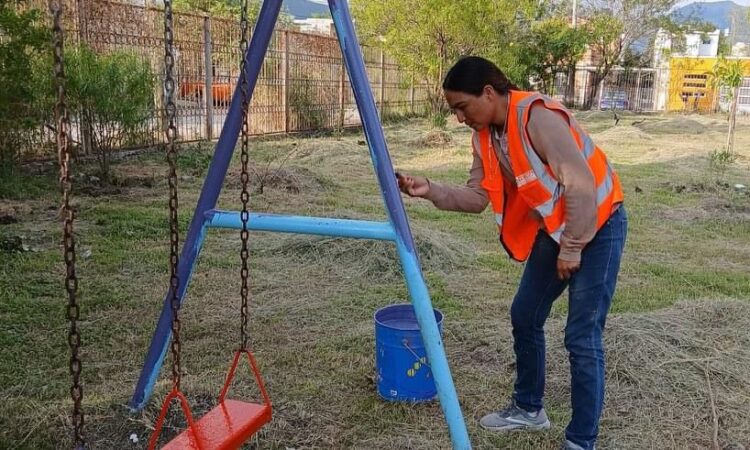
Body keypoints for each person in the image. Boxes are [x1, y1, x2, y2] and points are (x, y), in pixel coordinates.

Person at [396, 56, 627, 450]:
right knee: (525, 315)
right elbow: (476, 198)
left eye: (461, 107)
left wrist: (572, 248)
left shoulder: (535, 116)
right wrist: (429, 189)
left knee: (581, 336)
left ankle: (581, 440)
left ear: (488, 92)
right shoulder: (485, 137)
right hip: (557, 230)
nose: (458, 118)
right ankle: (528, 409)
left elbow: (581, 184)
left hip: (599, 224)